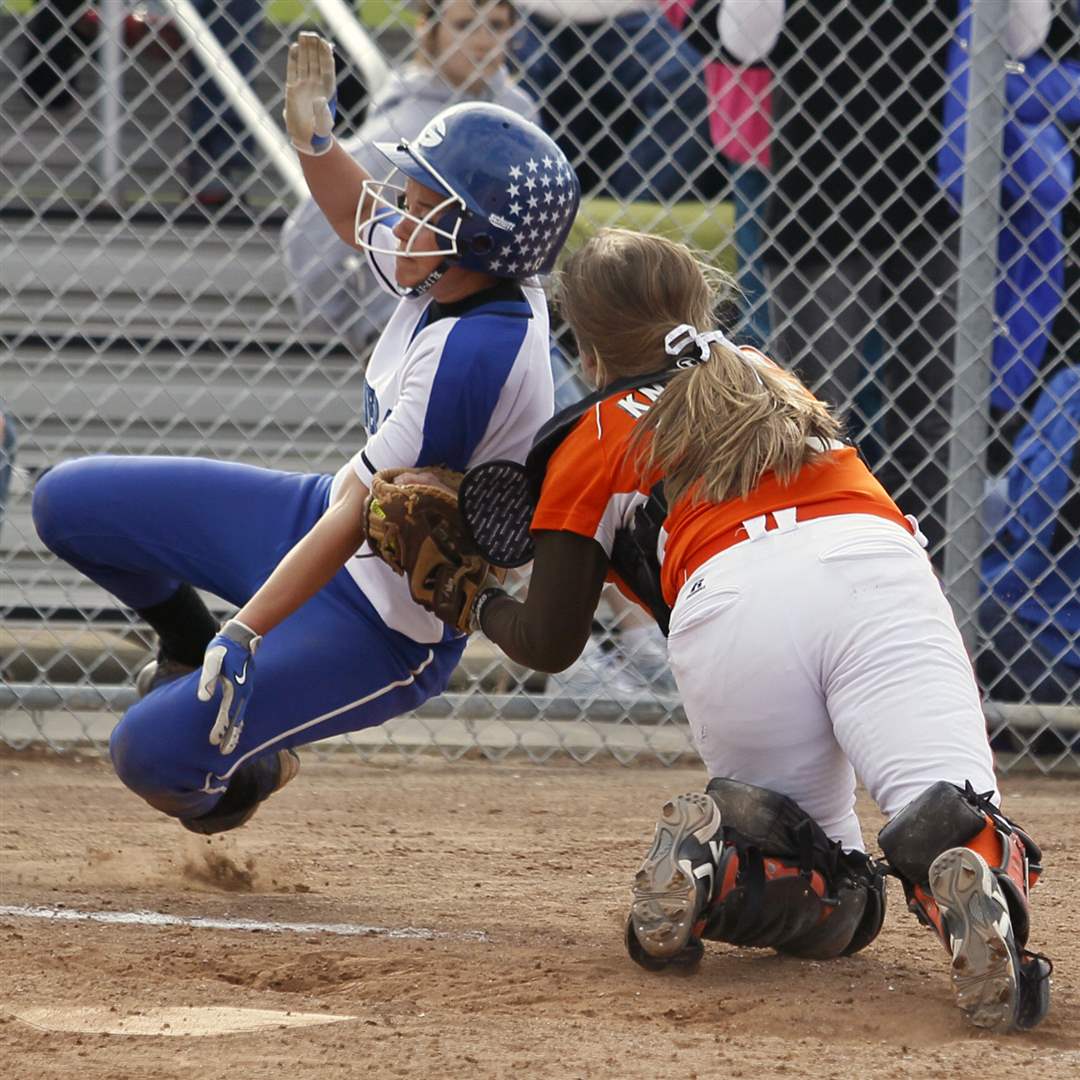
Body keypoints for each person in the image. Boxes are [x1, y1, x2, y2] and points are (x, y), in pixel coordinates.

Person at [454, 227, 1051, 1032]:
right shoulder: (761, 374)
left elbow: (552, 642)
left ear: (586, 344)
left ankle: (722, 873)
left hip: (732, 605)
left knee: (832, 883)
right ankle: (964, 867)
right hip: (873, 566)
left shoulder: (587, 438)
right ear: (698, 303)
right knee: (950, 805)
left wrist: (473, 601)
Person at [31, 32, 580, 836]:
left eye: (426, 203)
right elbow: (363, 222)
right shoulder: (455, 269)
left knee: (149, 755)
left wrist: (248, 629)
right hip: (321, 520)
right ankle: (187, 646)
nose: (402, 208)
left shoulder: (477, 351)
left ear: (478, 239)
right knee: (68, 504)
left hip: (383, 623)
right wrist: (314, 140)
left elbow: (363, 511)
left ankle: (251, 771)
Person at [282, 0, 540, 356]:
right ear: (428, 29)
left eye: (496, 25)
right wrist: (361, 326)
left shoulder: (521, 112)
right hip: (420, 329)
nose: (483, 40)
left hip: (514, 319)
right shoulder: (404, 122)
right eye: (464, 25)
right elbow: (314, 227)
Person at [510, 0, 713, 201]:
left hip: (636, 18)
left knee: (689, 77)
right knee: (508, 91)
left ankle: (628, 220)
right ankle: (525, 204)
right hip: (530, 18)